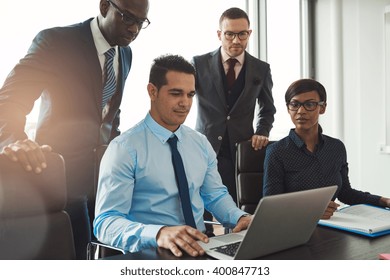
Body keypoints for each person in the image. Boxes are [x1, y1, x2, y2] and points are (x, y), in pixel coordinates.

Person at [0, 0, 150, 259]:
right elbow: (10, 99)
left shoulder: (125, 53)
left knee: (114, 255)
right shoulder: (57, 42)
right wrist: (16, 141)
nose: (134, 29)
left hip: (103, 181)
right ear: (104, 7)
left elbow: (109, 115)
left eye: (141, 22)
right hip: (62, 180)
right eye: (127, 18)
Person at [93, 54, 252, 258]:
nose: (185, 103)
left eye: (190, 94)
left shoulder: (200, 143)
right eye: (176, 93)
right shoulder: (124, 148)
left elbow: (215, 195)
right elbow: (106, 222)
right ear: (152, 91)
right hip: (152, 252)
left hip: (201, 247)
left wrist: (239, 217)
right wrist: (158, 233)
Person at [263, 78, 390, 218]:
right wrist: (311, 210)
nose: (301, 111)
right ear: (288, 108)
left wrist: (382, 200)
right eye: (294, 104)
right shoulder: (277, 152)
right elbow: (271, 206)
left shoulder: (336, 147)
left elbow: (345, 192)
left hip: (332, 226)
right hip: (293, 228)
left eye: (309, 104)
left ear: (322, 108)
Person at [192, 7, 276, 205]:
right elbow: (184, 99)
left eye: (242, 34)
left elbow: (268, 108)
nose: (236, 40)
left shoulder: (261, 69)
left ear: (249, 34)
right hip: (204, 146)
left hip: (239, 149)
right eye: (230, 34)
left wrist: (262, 131)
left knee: (234, 206)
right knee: (199, 209)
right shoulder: (199, 64)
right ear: (220, 34)